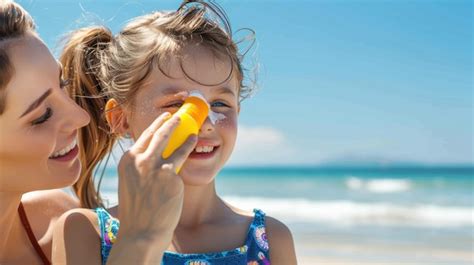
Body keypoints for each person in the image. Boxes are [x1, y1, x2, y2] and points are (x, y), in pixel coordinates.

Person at [54, 1, 297, 264]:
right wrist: (140, 238)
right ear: (120, 118)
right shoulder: (84, 231)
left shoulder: (271, 239)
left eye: (219, 104)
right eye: (177, 105)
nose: (205, 122)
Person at [0, 1, 194, 264]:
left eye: (63, 84)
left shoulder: (63, 221)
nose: (81, 117)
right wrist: (140, 238)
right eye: (43, 115)